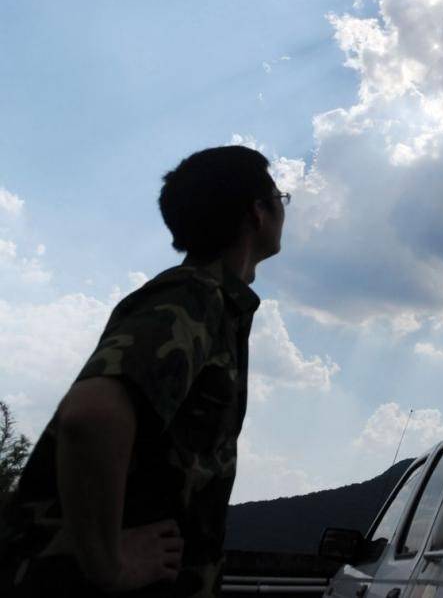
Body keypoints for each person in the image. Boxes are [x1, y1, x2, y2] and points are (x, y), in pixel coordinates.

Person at [0, 145, 287, 597]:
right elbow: (91, 415)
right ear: (257, 212)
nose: (283, 209)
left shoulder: (213, 304)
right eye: (280, 198)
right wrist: (108, 565)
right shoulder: (192, 298)